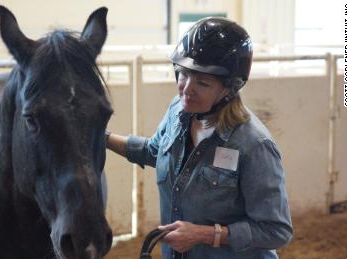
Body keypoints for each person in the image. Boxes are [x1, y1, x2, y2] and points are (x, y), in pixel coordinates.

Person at [105, 17, 293, 258]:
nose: (187, 89)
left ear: (230, 87)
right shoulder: (178, 112)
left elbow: (276, 230)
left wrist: (205, 234)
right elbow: (155, 151)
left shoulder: (254, 146)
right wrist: (103, 137)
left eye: (202, 83)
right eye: (183, 74)